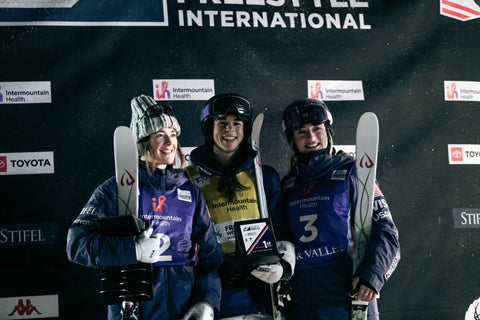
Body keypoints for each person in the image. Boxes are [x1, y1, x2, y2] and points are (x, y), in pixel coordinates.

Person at [66, 94, 223, 320]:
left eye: (173, 135)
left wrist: (206, 301)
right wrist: (133, 250)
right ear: (143, 140)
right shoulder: (115, 189)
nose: (170, 143)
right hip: (134, 311)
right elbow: (76, 244)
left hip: (184, 311)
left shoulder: (190, 191)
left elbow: (212, 257)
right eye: (160, 135)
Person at [280, 98, 400, 320]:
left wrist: (372, 276)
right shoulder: (288, 185)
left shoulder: (354, 173)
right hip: (302, 300)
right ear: (292, 139)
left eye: (317, 129)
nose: (312, 138)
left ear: (327, 130)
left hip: (347, 294)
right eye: (302, 132)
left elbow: (387, 232)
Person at [185, 93, 295, 319]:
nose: (230, 130)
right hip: (218, 293)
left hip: (261, 293)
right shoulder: (189, 178)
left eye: (237, 124)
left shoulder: (264, 176)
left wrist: (283, 267)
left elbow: (282, 229)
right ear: (209, 128)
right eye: (222, 124)